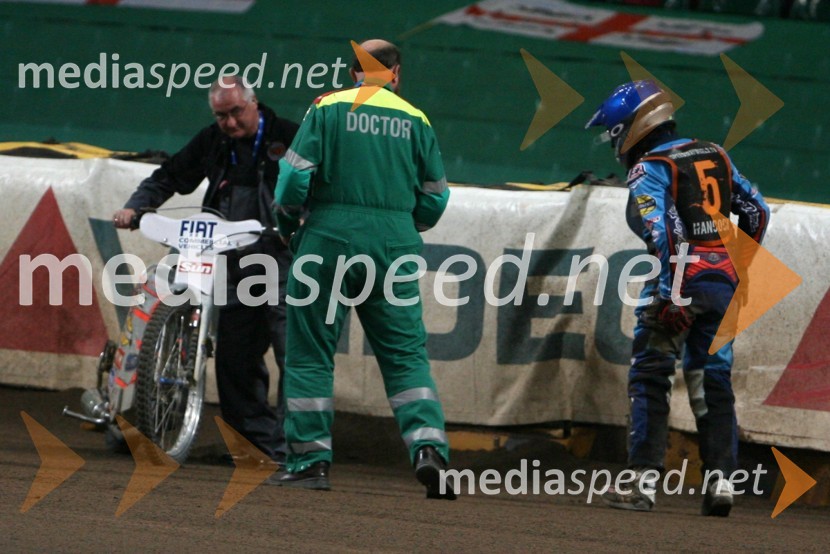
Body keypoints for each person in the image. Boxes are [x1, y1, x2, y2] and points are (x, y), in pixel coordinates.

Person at [270, 39, 454, 499]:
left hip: (328, 239)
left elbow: (292, 179)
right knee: (406, 356)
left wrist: (288, 225)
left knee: (311, 353)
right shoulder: (417, 119)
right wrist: (404, 224)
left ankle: (310, 460)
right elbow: (435, 197)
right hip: (393, 243)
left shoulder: (326, 107)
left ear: (354, 71)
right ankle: (429, 449)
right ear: (396, 74)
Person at [584, 80, 769, 516]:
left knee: (650, 376)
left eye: (615, 132)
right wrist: (734, 264)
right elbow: (757, 209)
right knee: (713, 381)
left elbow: (666, 231)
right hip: (723, 284)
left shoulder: (648, 168)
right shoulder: (716, 153)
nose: (614, 142)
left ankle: (642, 485)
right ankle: (721, 483)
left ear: (633, 127)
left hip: (677, 283)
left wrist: (673, 293)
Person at [113, 76, 299, 464]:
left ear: (254, 103)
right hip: (228, 261)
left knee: (293, 354)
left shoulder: (289, 136)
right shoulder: (213, 141)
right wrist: (137, 206)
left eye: (235, 113)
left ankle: (298, 448)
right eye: (221, 116)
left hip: (282, 260)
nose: (229, 123)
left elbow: (320, 187)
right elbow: (169, 175)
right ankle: (255, 443)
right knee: (235, 356)